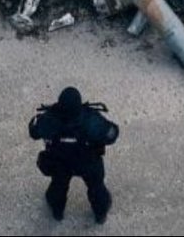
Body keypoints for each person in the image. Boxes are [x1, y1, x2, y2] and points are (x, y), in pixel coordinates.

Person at [29, 86, 118, 224]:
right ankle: (100, 213)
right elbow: (112, 134)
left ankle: (57, 211)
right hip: (88, 162)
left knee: (58, 186)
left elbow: (34, 132)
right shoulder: (91, 120)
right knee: (96, 187)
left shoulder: (49, 119)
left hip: (60, 162)